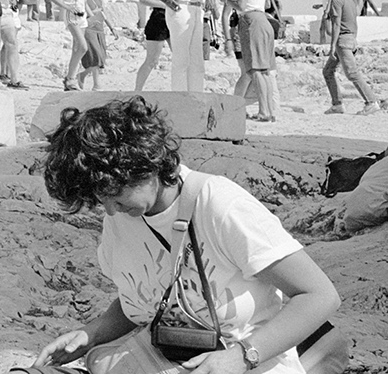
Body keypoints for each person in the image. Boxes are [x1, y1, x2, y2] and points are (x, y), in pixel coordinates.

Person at [33, 98, 340, 374]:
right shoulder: (123, 216)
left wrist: (242, 356)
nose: (110, 210)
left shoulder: (219, 204)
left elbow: (319, 296)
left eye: (113, 193)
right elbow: (144, 299)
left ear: (140, 164)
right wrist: (91, 334)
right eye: (98, 200)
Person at [227, 0, 281, 122]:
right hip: (264, 21)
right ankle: (269, 110)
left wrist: (226, 0)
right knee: (265, 70)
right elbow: (266, 4)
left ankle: (264, 111)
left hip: (250, 22)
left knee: (255, 70)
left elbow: (241, 6)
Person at [319, 0, 384, 114]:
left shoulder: (336, 1)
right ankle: (337, 104)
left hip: (342, 41)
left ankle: (371, 101)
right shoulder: (349, 0)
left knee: (352, 73)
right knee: (328, 71)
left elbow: (336, 26)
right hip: (350, 39)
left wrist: (332, 46)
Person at [57, 0, 95, 91]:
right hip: (71, 16)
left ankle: (69, 81)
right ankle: (71, 78)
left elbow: (84, 1)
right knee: (83, 47)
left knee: (77, 49)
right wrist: (67, 7)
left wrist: (91, 15)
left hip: (82, 16)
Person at [81, 0, 110, 90]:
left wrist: (111, 27)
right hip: (89, 28)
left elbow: (103, 13)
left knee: (101, 58)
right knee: (95, 56)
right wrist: (95, 11)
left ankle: (82, 76)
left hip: (100, 28)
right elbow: (84, 13)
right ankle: (96, 84)